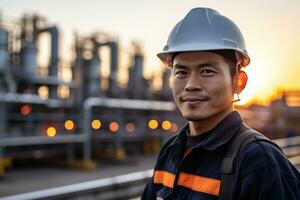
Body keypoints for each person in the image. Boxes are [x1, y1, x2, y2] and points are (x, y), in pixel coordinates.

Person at [142, 7, 300, 200]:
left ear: (238, 82)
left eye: (207, 71)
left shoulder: (259, 161)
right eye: (181, 72)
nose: (191, 85)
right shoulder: (171, 151)